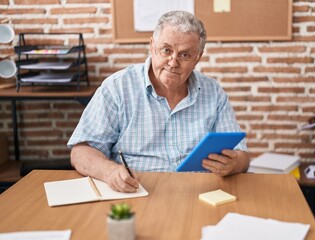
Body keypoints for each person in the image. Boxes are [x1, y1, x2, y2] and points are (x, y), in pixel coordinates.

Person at [67, 11, 249, 193]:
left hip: (198, 192)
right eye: (166, 50)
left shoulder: (213, 92)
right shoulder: (117, 88)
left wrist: (235, 163)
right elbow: (81, 152)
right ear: (152, 45)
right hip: (137, 191)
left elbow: (241, 156)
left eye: (185, 55)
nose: (173, 62)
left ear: (198, 58)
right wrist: (110, 171)